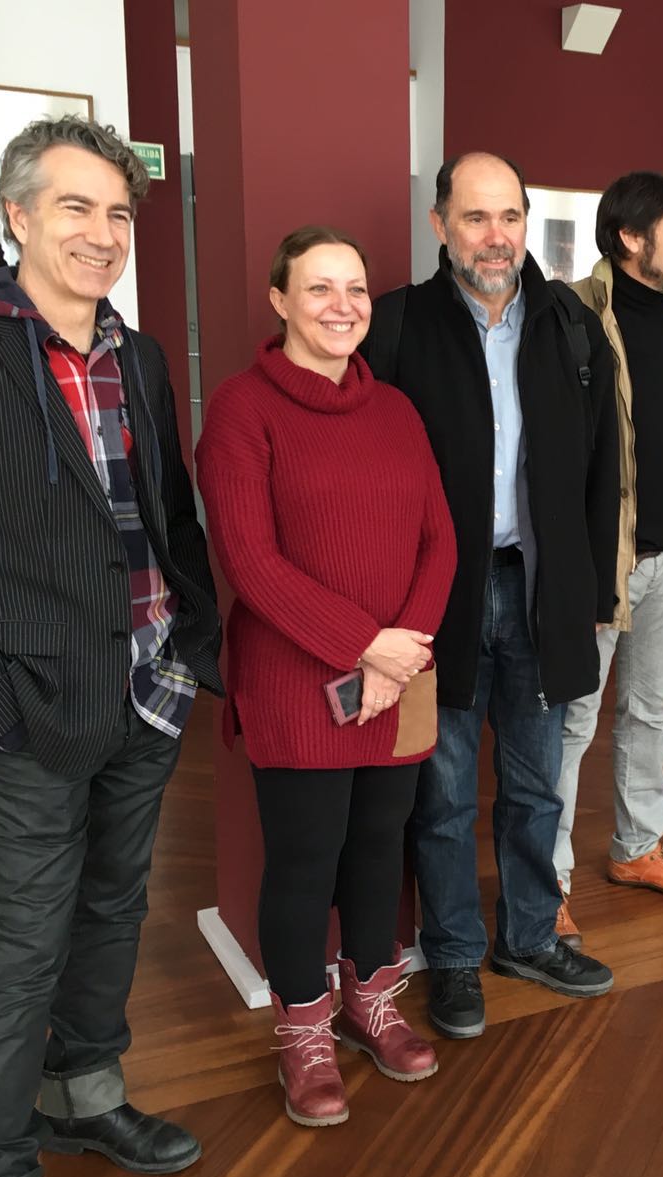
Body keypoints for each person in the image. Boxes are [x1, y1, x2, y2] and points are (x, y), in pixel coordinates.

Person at [0, 116, 221, 1177]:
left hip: (150, 686)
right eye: (76, 206)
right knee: (28, 934)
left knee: (115, 908)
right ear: (18, 216)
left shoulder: (141, 356)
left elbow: (168, 516)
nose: (102, 232)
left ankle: (85, 1096)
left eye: (118, 211)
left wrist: (192, 641)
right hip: (33, 704)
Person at [196, 226, 457, 1125]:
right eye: (318, 288)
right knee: (306, 863)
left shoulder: (397, 411)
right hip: (295, 681)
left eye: (355, 289)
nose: (342, 306)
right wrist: (367, 647)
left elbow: (440, 539)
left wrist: (404, 648)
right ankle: (304, 1031)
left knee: (380, 849)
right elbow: (249, 561)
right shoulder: (242, 410)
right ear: (279, 300)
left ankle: (368, 1003)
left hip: (400, 677)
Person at [360, 152, 620, 1040]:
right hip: (439, 603)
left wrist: (593, 588)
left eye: (509, 216)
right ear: (440, 225)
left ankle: (531, 938)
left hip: (542, 594)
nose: (496, 237)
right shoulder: (397, 325)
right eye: (476, 218)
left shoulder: (571, 325)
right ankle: (454, 957)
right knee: (441, 796)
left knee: (537, 787)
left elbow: (603, 469)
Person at [552, 170, 663, 948]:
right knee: (570, 724)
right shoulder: (572, 317)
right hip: (600, 562)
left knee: (653, 710)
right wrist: (575, 565)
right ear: (630, 237)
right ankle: (546, 879)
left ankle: (637, 847)